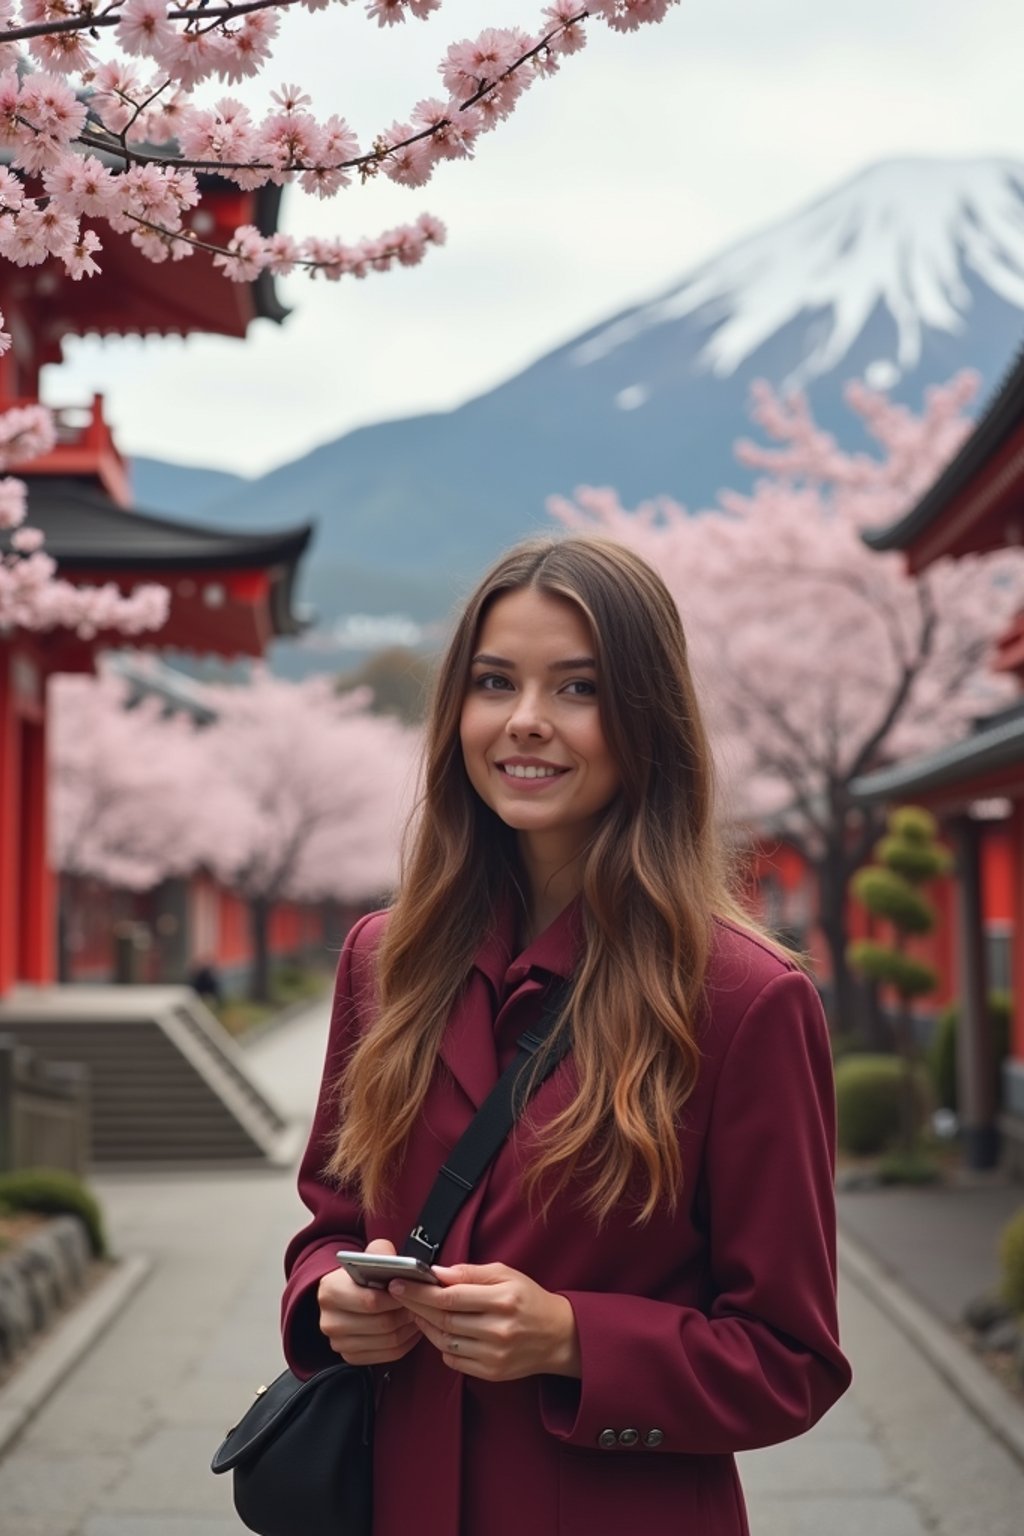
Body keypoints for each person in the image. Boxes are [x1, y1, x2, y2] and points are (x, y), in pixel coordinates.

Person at [282, 535, 852, 1536]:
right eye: (494, 682)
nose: (526, 723)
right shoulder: (386, 960)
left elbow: (790, 1361)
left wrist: (572, 1339)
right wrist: (329, 1297)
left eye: (578, 689)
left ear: (648, 719)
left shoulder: (743, 999)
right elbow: (330, 1222)